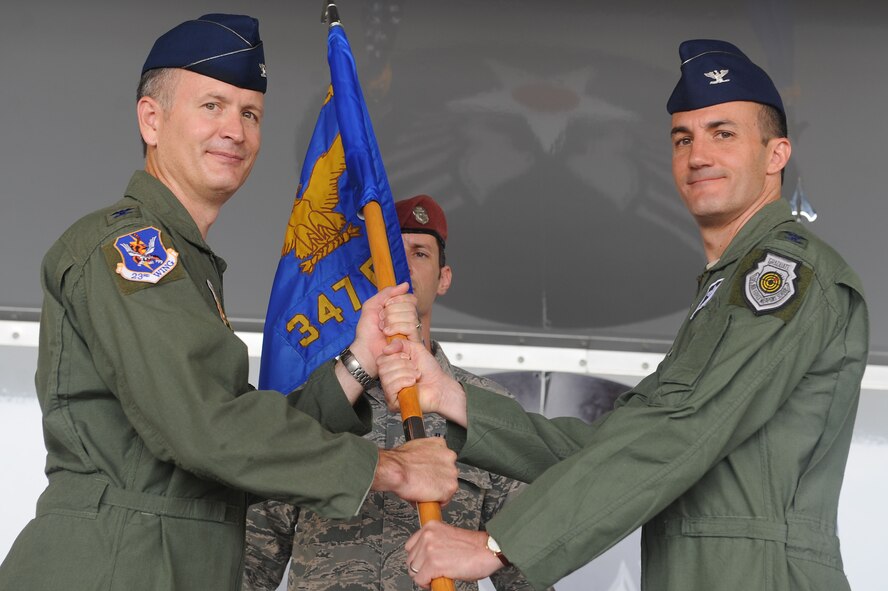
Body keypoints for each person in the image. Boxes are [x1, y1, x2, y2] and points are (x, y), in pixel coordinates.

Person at [376, 39, 869, 591]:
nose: (698, 155)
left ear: (776, 154)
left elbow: (681, 431)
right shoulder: (724, 288)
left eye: (723, 134)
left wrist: (497, 545)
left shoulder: (784, 274)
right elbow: (611, 447)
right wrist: (455, 399)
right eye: (684, 138)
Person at [0, 14, 458, 591]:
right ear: (152, 119)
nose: (235, 131)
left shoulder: (190, 263)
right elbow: (205, 428)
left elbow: (238, 439)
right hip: (117, 563)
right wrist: (389, 468)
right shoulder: (129, 249)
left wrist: (359, 359)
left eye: (250, 114)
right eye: (211, 106)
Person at [242, 194, 537, 591]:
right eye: (390, 254)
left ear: (443, 277)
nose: (401, 267)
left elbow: (522, 565)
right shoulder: (317, 404)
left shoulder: (482, 409)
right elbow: (254, 558)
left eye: (419, 253)